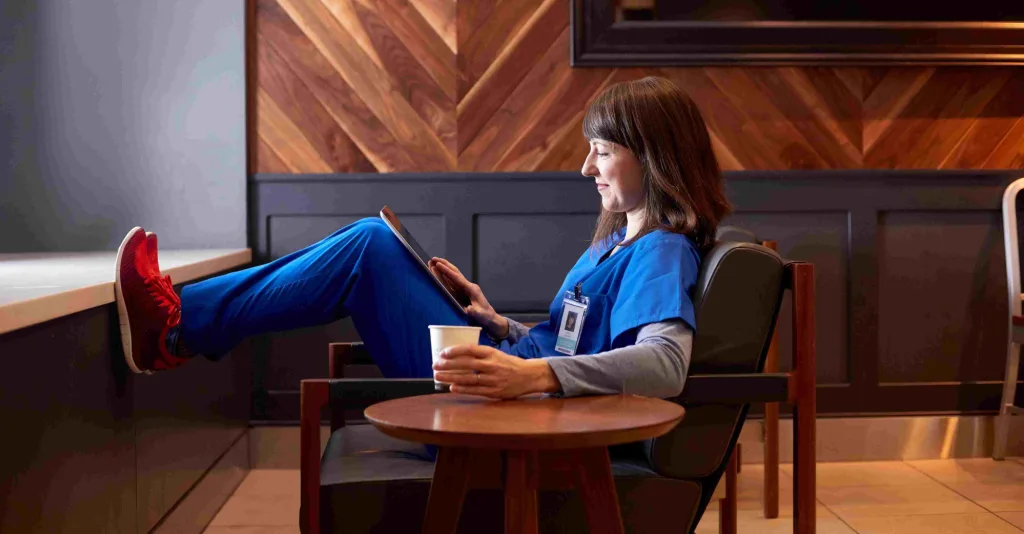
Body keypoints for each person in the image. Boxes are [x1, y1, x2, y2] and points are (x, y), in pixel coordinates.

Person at [114, 76, 731, 399]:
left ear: (652, 159)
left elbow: (665, 364)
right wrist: (496, 322)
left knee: (367, 247)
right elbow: (574, 340)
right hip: (507, 372)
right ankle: (178, 321)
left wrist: (532, 378)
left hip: (515, 402)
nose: (586, 169)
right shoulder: (620, 241)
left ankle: (174, 326)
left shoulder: (660, 248)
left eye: (601, 152)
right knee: (369, 245)